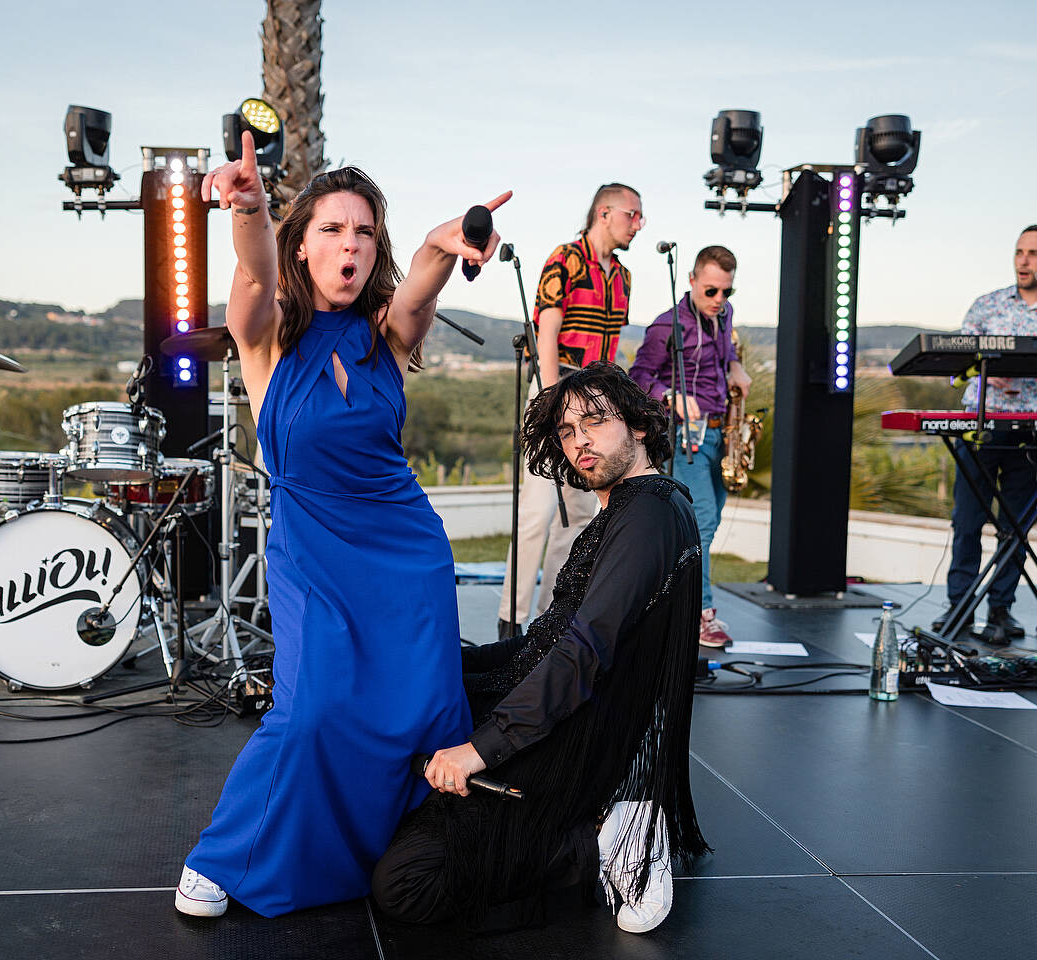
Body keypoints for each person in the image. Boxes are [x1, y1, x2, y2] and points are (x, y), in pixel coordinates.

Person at [175, 130, 509, 918]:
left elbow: (422, 290)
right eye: (331, 229)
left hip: (404, 551)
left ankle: (399, 850)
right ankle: (227, 855)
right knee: (313, 705)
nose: (349, 245)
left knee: (422, 712)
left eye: (363, 232)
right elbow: (255, 263)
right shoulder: (264, 333)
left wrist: (440, 243)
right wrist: (251, 207)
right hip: (311, 548)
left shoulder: (388, 337)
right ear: (304, 244)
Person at [373, 362, 708, 934]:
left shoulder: (648, 512)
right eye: (568, 432)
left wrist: (482, 749)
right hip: (559, 706)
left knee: (408, 885)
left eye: (595, 423)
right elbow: (546, 640)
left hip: (575, 736)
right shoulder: (628, 508)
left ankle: (605, 841)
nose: (580, 442)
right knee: (412, 696)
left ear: (639, 426)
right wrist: (453, 664)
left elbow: (584, 650)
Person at [498, 183, 643, 640]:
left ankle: (550, 621)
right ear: (605, 213)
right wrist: (551, 398)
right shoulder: (566, 257)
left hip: (596, 401)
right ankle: (511, 620)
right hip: (555, 387)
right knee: (539, 509)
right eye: (632, 215)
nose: (638, 224)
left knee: (579, 514)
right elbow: (547, 330)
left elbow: (614, 345)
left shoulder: (623, 276)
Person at [936, 224, 1037, 642]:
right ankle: (959, 608)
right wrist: (987, 377)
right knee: (966, 522)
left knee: (1015, 526)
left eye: (1035, 254)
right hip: (983, 426)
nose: (1024, 261)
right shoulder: (986, 306)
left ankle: (1000, 612)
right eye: (1019, 252)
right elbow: (956, 366)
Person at [629, 244, 752, 648]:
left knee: (708, 520)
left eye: (726, 292)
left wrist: (735, 366)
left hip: (720, 429)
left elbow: (727, 354)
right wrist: (669, 394)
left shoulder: (724, 315)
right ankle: (700, 614)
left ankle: (667, 595)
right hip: (686, 436)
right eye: (711, 291)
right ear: (692, 281)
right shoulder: (668, 326)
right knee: (700, 521)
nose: (719, 301)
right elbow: (638, 376)